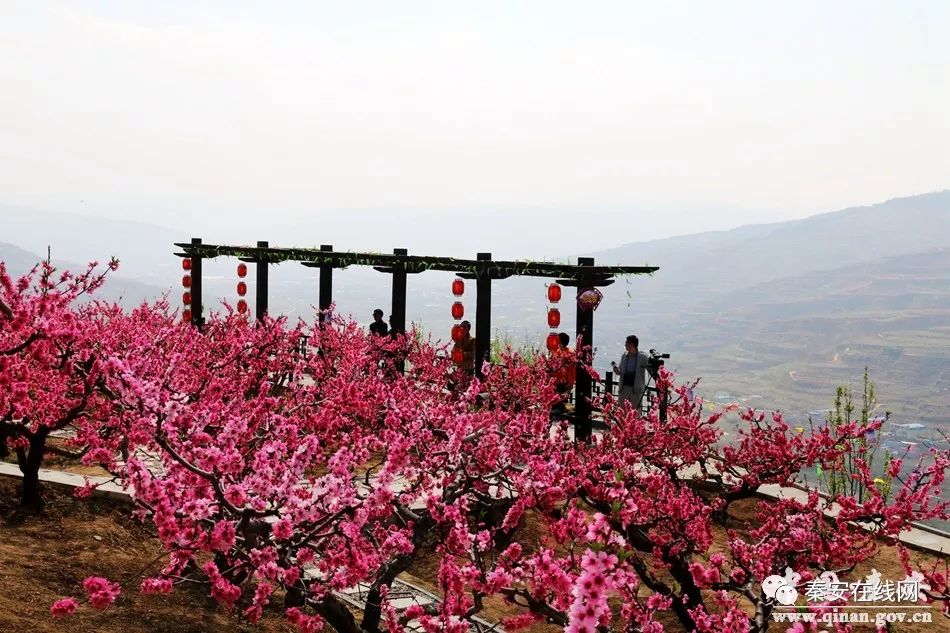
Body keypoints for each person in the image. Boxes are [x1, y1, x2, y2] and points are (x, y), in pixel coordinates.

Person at [612, 334, 650, 412]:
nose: (625, 345)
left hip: (636, 389)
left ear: (632, 344)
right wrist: (616, 370)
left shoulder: (643, 357)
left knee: (635, 413)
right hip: (624, 388)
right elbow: (620, 370)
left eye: (626, 343)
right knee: (622, 413)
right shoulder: (624, 355)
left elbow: (651, 370)